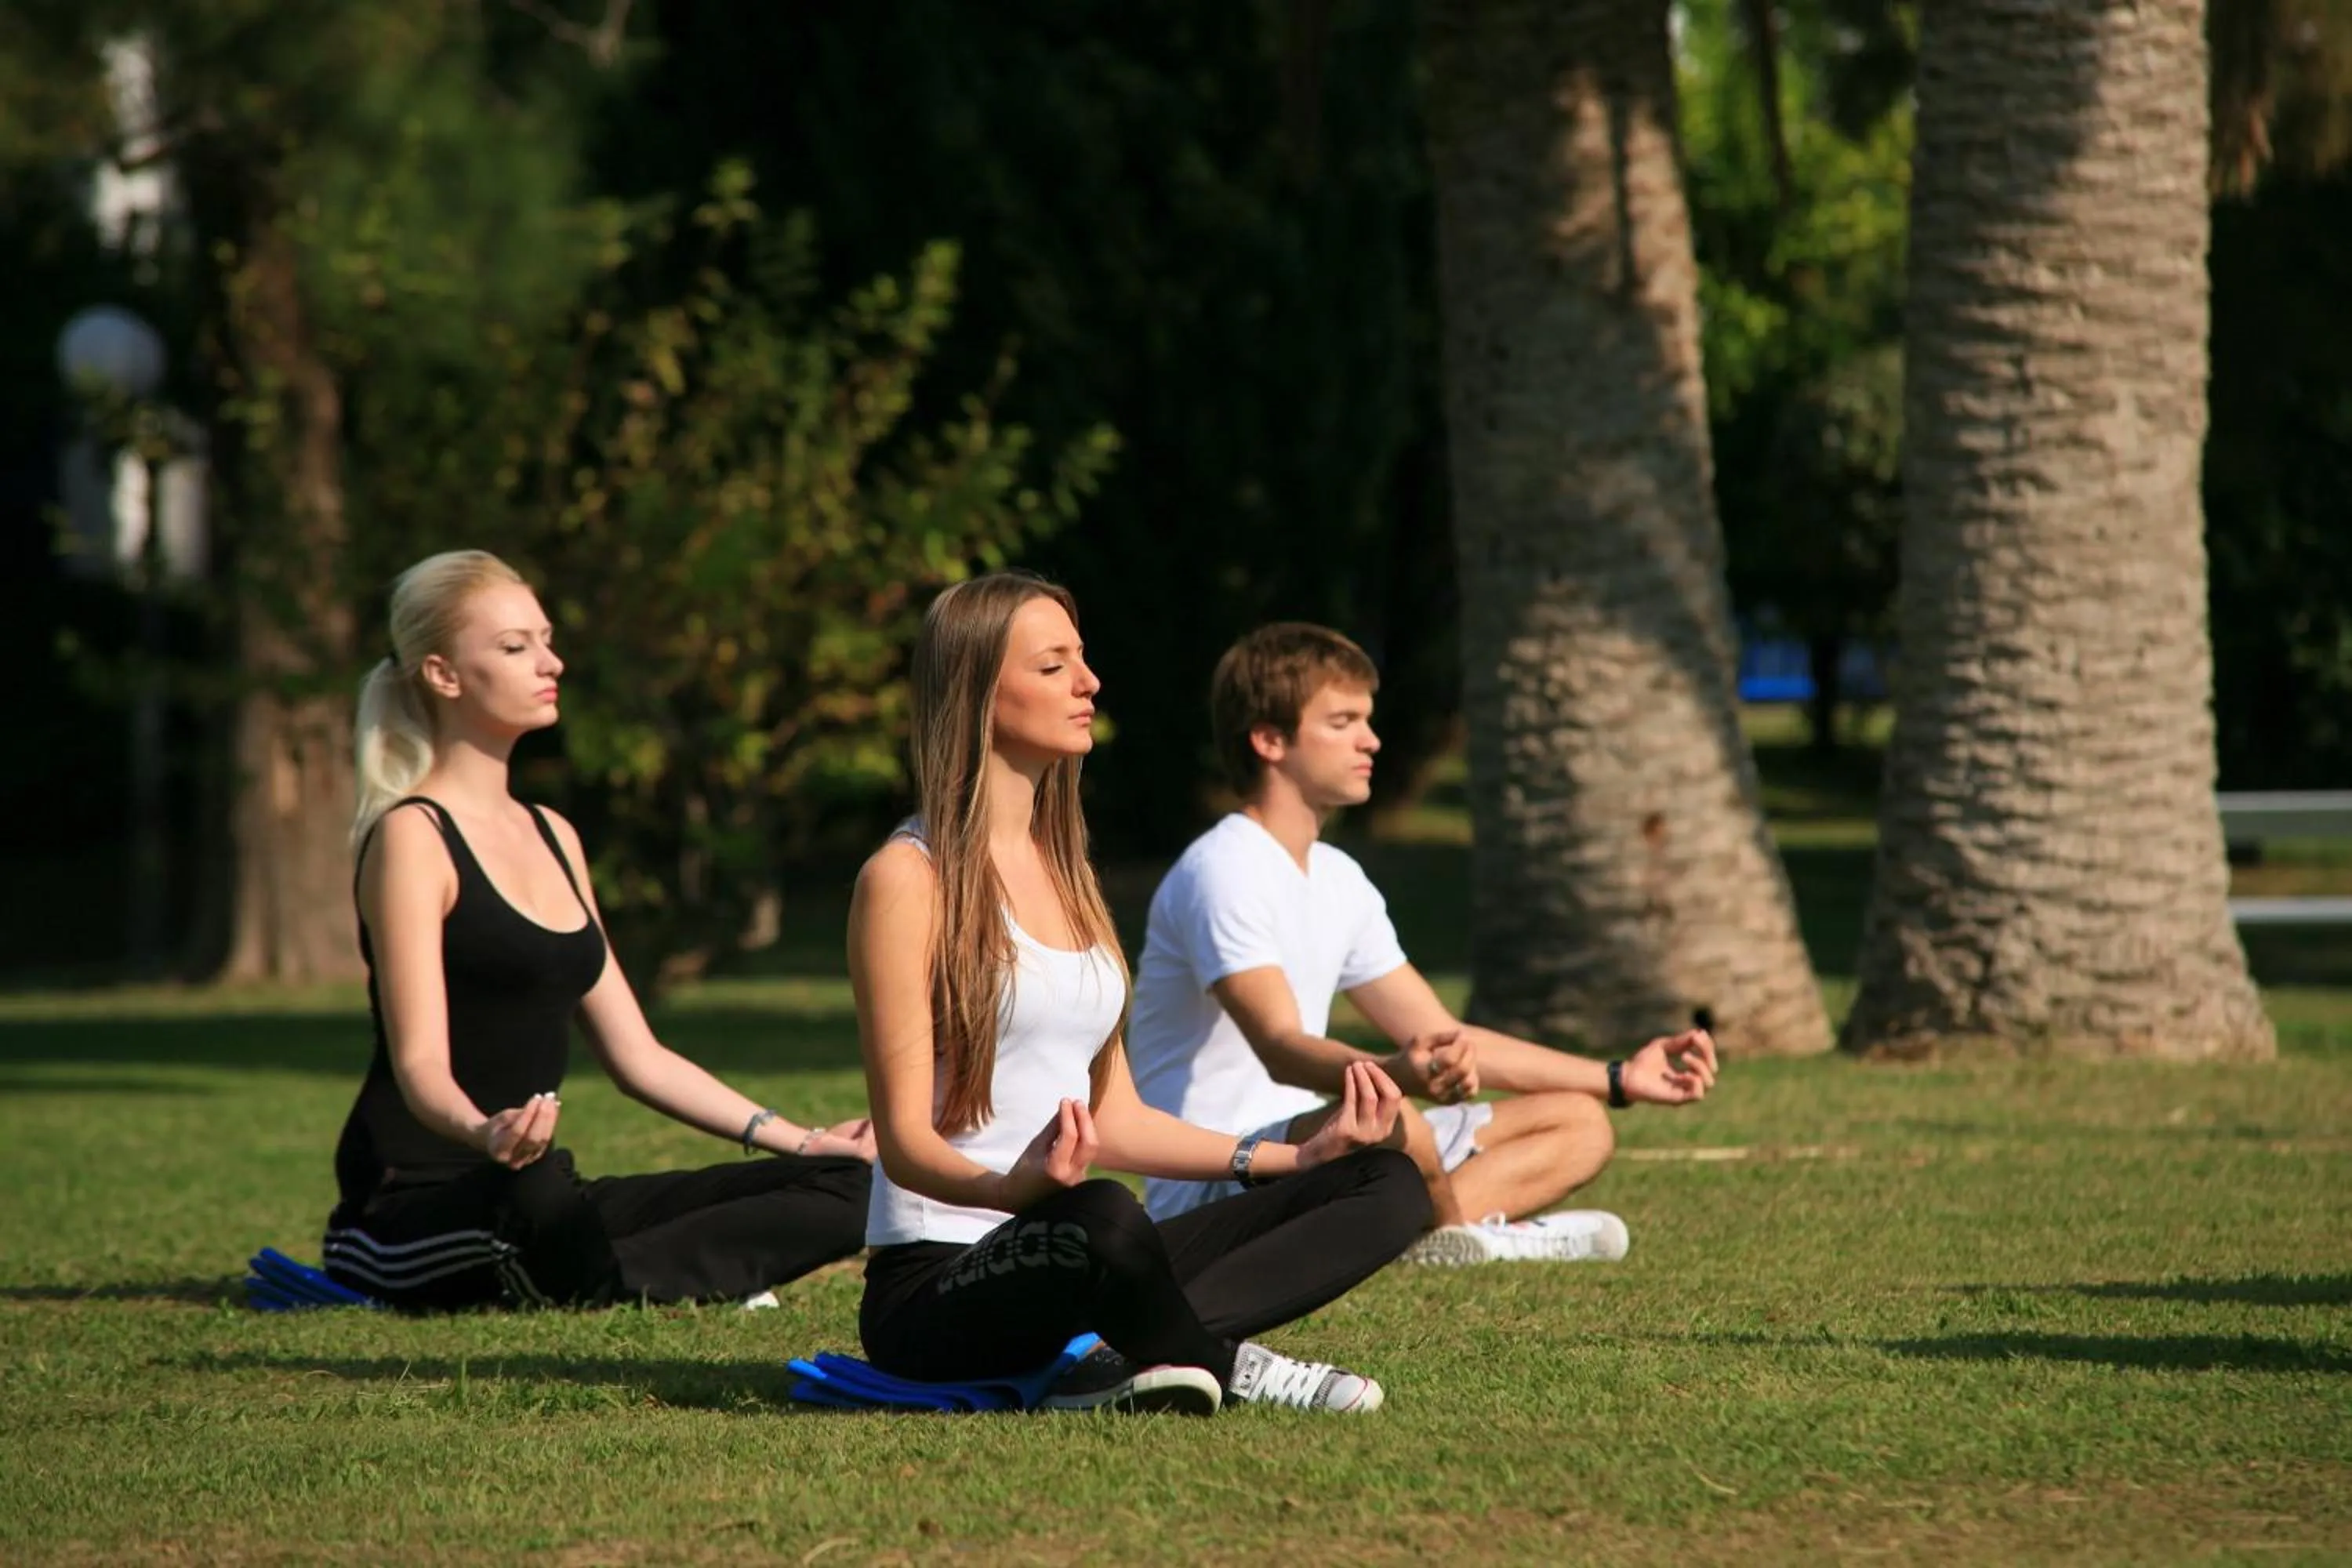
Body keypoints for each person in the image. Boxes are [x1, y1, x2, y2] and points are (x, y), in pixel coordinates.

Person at [851, 573, 1431, 1417]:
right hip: (943, 1279)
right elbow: (903, 1140)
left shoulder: (1070, 871)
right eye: (1054, 666)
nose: (1089, 683)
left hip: (1089, 1254)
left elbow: (1115, 1115)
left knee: (1387, 1182)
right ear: (977, 691)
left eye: (1082, 660)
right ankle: (1221, 1360)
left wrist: (1290, 1159)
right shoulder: (906, 878)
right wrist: (1011, 1192)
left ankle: (1133, 1342)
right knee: (1104, 1215)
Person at [323, 550, 875, 1312]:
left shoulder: (554, 834)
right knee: (541, 1195)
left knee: (855, 1185)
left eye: (545, 638)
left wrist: (807, 1139)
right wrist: (485, 1133)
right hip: (417, 1204)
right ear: (443, 673)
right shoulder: (414, 837)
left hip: (542, 1186)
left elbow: (639, 1056)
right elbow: (420, 1066)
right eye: (515, 646)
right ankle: (663, 1274)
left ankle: (616, 1274)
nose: (551, 660)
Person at [1126, 622, 1722, 1265]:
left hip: (1330, 1142)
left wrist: (1617, 1077)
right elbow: (1281, 1049)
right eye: (1343, 721)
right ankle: (1462, 1232)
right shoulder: (1224, 868)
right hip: (1223, 1175)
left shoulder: (1336, 878)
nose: (1371, 740)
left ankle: (1436, 1234)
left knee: (1579, 1123)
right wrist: (1394, 1077)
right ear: (1270, 740)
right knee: (1395, 1117)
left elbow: (1445, 1037)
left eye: (1368, 720)